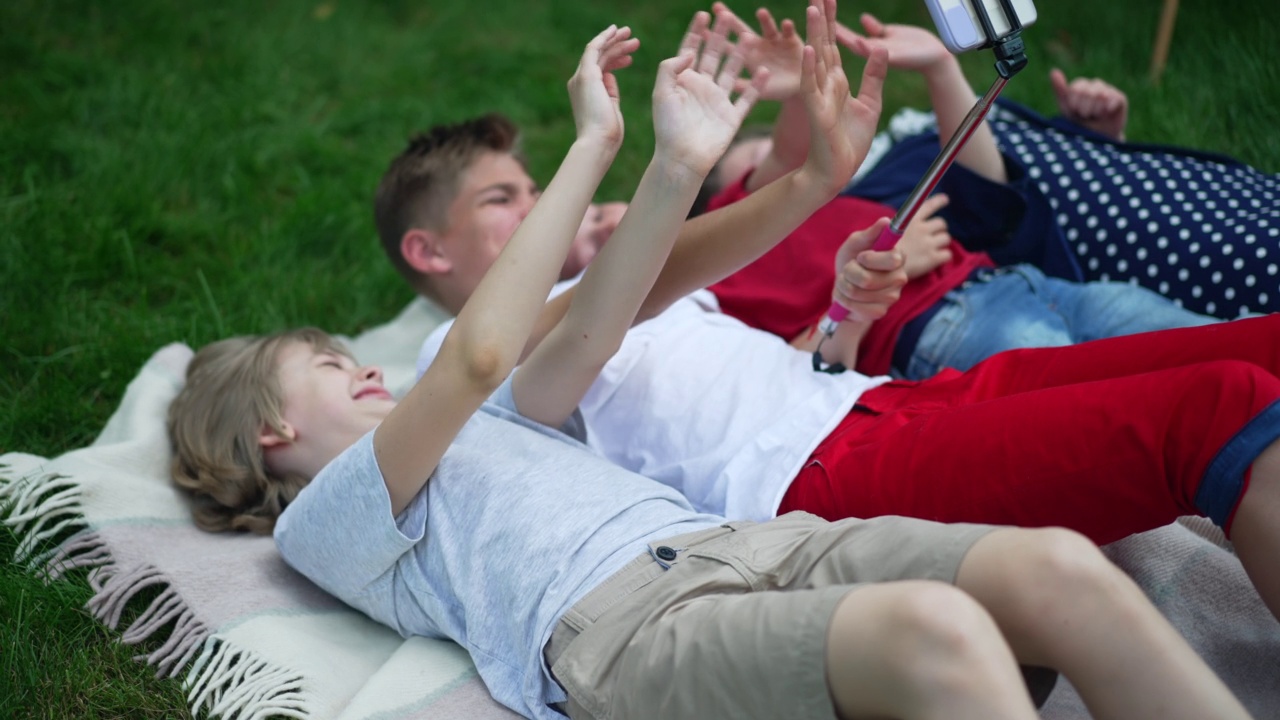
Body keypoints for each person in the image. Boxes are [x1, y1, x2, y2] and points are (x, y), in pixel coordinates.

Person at [167, 8, 1260, 719]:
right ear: (269, 429)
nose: (365, 370)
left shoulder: (491, 418)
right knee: (938, 630)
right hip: (626, 622)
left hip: (751, 540)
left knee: (1057, 568)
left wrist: (686, 163)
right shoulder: (332, 516)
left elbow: (607, 316)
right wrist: (595, 143)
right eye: (326, 361)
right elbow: (480, 351)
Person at [699, 4, 1217, 379]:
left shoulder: (848, 196)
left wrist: (797, 91)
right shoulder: (717, 260)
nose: (782, 171)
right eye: (753, 164)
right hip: (935, 325)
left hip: (1015, 282)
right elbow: (786, 160)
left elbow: (794, 156)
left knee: (1208, 342)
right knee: (1118, 394)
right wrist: (876, 277)